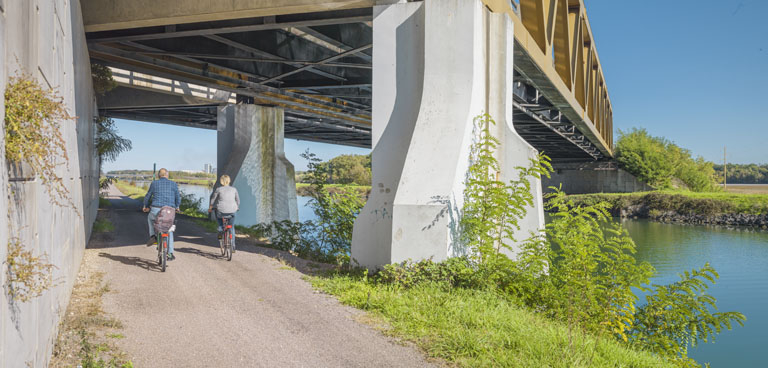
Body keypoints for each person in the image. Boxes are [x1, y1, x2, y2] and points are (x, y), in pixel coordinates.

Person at [142, 168, 181, 260]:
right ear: (167, 175)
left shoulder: (154, 183)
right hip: (169, 211)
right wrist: (177, 206)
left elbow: (148, 196)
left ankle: (153, 236)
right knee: (169, 229)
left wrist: (145, 206)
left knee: (150, 219)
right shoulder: (173, 184)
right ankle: (170, 253)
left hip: (156, 209)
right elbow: (178, 197)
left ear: (159, 176)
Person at [208, 175, 240, 248]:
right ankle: (233, 246)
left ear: (221, 181)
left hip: (221, 211)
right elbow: (238, 200)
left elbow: (213, 199)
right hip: (232, 211)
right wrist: (237, 207)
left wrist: (210, 208)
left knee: (219, 220)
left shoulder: (218, 189)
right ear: (229, 181)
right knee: (231, 227)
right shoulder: (234, 189)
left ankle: (220, 230)